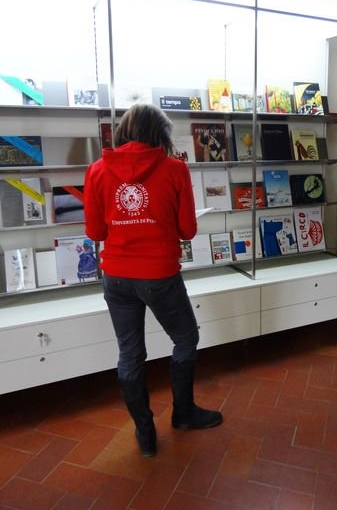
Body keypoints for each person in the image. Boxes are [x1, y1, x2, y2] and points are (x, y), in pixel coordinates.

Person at [84, 103, 222, 457]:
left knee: (130, 353)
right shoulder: (175, 169)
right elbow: (188, 230)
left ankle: (145, 433)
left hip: (116, 277)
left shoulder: (96, 170)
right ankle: (184, 412)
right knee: (186, 338)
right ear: (161, 134)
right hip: (159, 274)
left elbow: (96, 232)